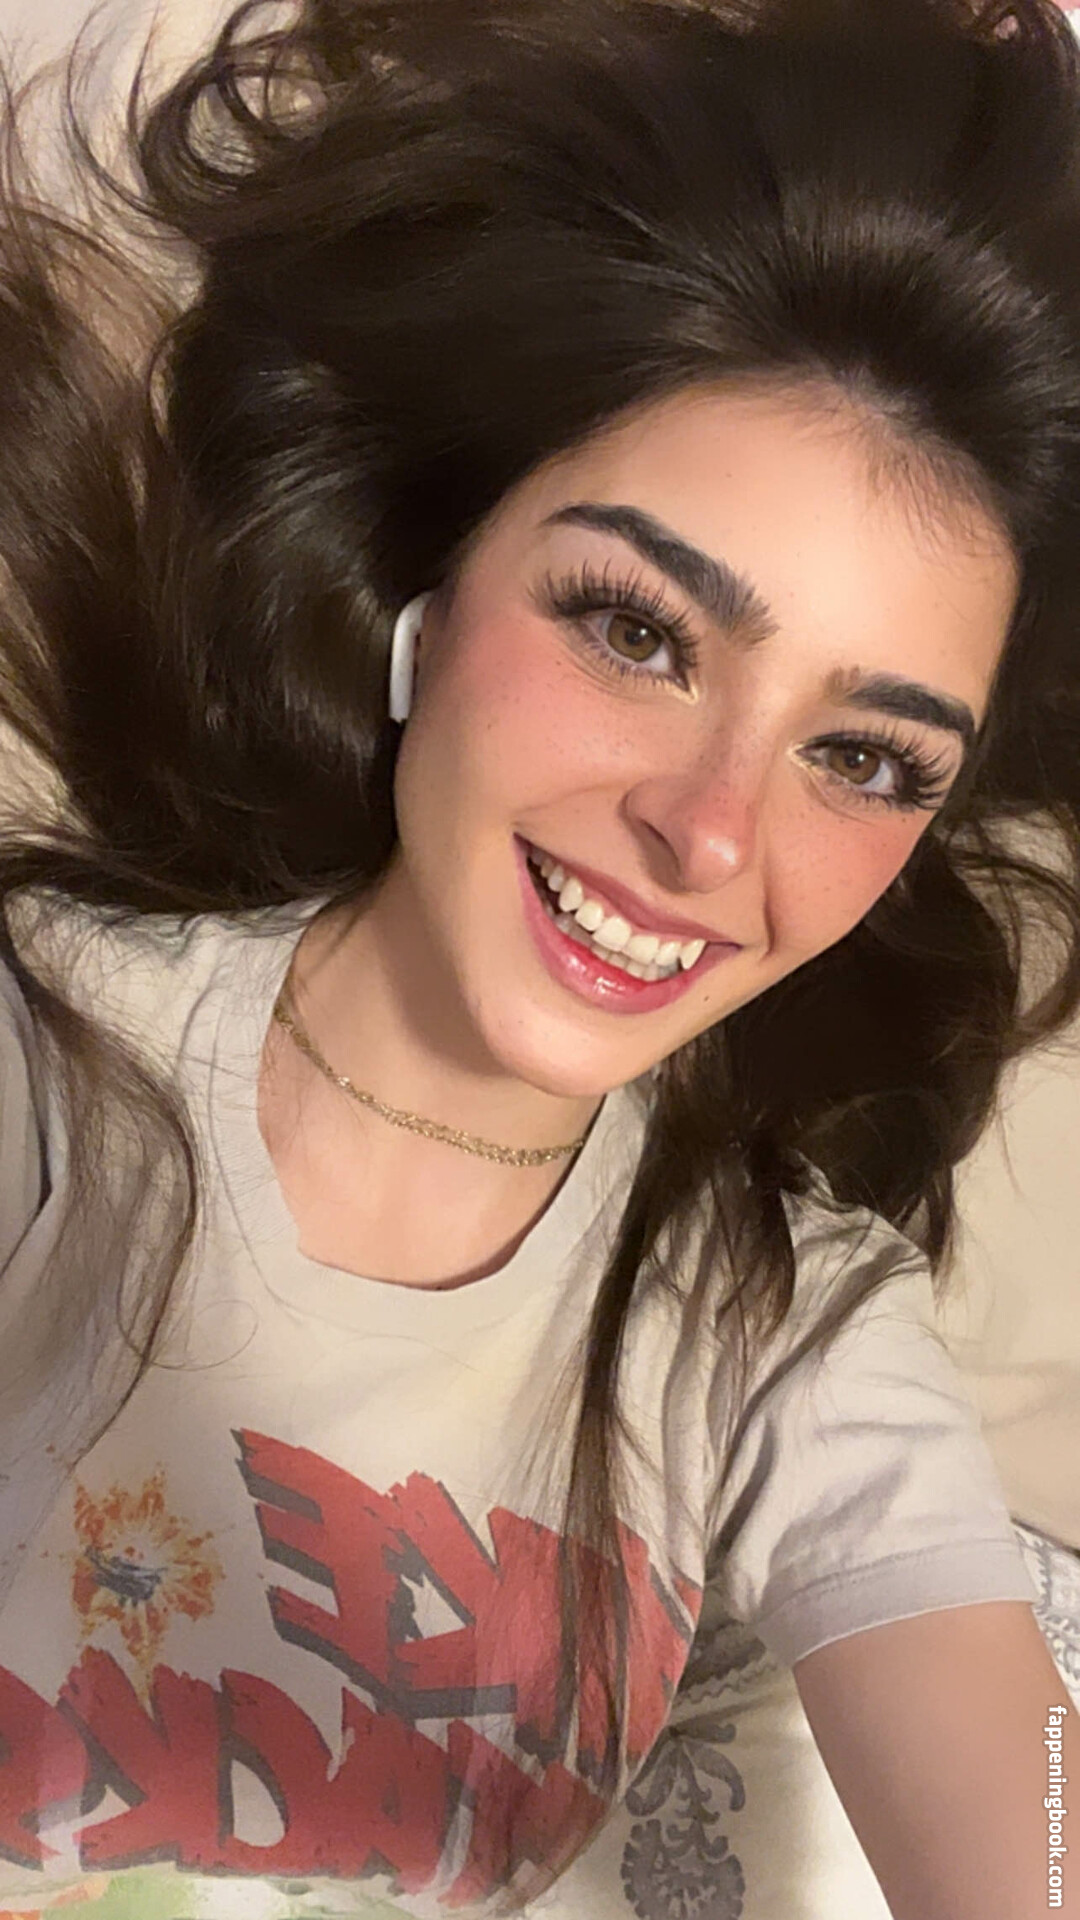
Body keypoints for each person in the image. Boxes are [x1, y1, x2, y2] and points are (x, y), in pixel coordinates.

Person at [0, 0, 1079, 1915]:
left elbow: (1027, 1831)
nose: (713, 836)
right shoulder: (46, 1050)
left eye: (863, 758)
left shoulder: (786, 1327)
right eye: (637, 632)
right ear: (425, 593)